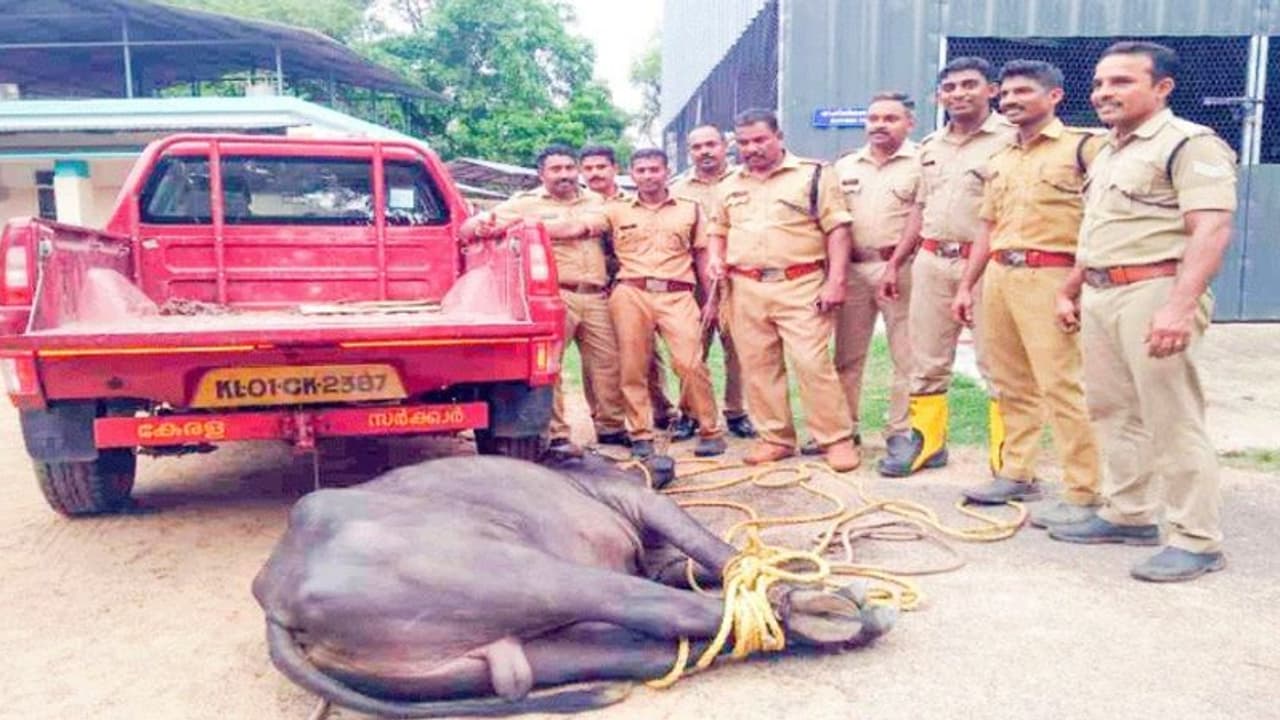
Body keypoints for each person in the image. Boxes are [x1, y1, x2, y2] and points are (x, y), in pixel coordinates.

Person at [1047, 41, 1237, 583]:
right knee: (1111, 408)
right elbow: (1101, 230)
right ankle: (1128, 513)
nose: (1104, 92)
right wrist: (1073, 286)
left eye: (1122, 82)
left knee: (1171, 415)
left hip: (1155, 291)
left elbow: (1211, 228)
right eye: (1100, 83)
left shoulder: (1189, 144)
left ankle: (1196, 539)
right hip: (1103, 292)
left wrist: (1179, 307)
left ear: (1162, 88)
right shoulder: (1109, 150)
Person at [948, 60, 1103, 524]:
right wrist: (967, 285)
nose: (1011, 100)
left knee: (1062, 384)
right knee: (1009, 381)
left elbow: (1102, 221)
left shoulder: (1084, 149)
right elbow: (987, 228)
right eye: (1008, 94)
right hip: (1000, 275)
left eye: (1024, 92)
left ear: (1054, 96)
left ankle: (1084, 489)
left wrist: (1076, 285)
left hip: (1053, 276)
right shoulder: (1002, 158)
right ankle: (1017, 472)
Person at [876, 57, 1016, 478]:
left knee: (998, 360)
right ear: (939, 96)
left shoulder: (1012, 139)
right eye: (950, 87)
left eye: (969, 84)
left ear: (992, 90)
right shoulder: (931, 146)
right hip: (933, 260)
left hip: (988, 261)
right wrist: (897, 261)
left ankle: (1008, 456)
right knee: (927, 358)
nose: (959, 94)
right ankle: (927, 443)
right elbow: (921, 208)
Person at [707, 108, 861, 472]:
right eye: (744, 142)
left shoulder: (813, 174)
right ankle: (776, 438)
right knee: (758, 366)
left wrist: (836, 280)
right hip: (745, 287)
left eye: (760, 140)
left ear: (778, 137)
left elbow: (837, 229)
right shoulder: (728, 185)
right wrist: (715, 257)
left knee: (812, 363)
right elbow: (718, 229)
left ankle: (835, 439)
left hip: (800, 284)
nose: (752, 148)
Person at [460, 144, 627, 454]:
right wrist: (481, 225)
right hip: (553, 296)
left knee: (607, 365)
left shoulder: (597, 201)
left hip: (595, 294)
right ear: (541, 174)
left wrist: (524, 227)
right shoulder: (525, 203)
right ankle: (558, 434)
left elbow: (576, 228)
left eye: (569, 168)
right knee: (551, 368)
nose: (564, 175)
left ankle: (611, 428)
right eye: (556, 169)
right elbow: (469, 229)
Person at [601, 148, 727, 459]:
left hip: (677, 293)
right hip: (631, 292)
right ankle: (641, 434)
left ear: (667, 172)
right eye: (641, 170)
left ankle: (709, 430)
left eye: (654, 169)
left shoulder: (690, 209)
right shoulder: (615, 211)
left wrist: (711, 300)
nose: (648, 176)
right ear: (632, 174)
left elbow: (702, 256)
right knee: (633, 366)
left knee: (690, 362)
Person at [825, 91, 919, 457]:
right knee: (847, 356)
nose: (880, 125)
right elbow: (833, 222)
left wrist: (894, 265)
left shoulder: (921, 163)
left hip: (902, 268)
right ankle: (843, 429)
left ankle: (901, 431)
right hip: (853, 269)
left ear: (909, 123)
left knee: (907, 356)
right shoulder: (845, 166)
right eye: (874, 118)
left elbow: (920, 218)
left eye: (890, 119)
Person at [581, 144, 679, 433]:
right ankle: (604, 416)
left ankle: (661, 408)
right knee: (600, 357)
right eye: (588, 168)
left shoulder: (634, 200)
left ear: (616, 169)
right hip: (596, 289)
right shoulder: (580, 204)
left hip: (631, 285)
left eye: (601, 167)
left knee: (646, 354)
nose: (595, 173)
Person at [670, 124, 757, 440]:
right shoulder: (677, 190)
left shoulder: (745, 181)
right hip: (691, 282)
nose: (704, 152)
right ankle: (689, 412)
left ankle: (736, 411)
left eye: (711, 144)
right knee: (691, 349)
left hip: (738, 278)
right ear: (689, 152)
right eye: (697, 147)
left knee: (738, 349)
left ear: (725, 146)